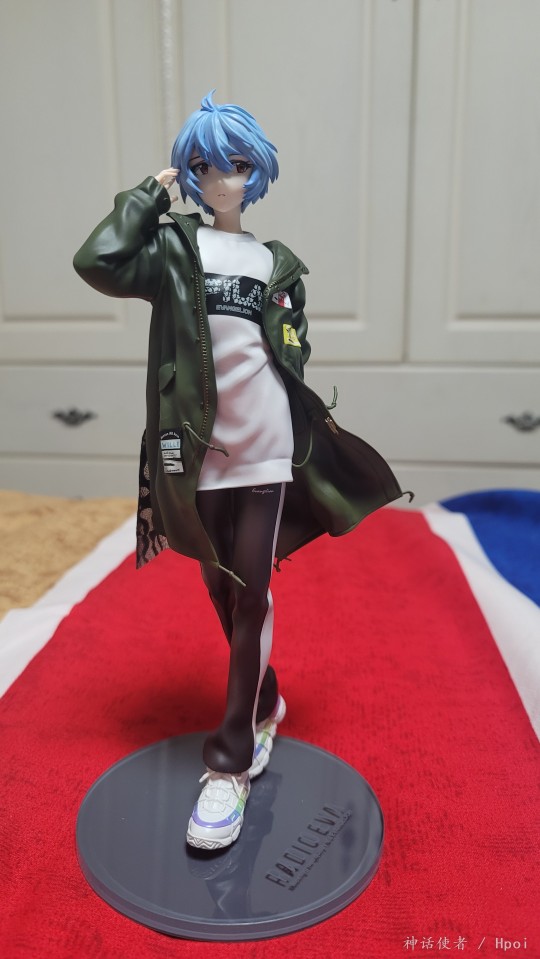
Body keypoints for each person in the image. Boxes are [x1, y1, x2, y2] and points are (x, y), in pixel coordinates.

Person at [73, 91, 408, 851]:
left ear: (256, 171)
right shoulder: (173, 249)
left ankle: (230, 760)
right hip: (197, 457)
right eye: (202, 165)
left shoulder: (274, 263)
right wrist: (148, 194)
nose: (219, 178)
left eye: (234, 164)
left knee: (252, 596)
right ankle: (265, 701)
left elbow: (290, 347)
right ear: (189, 173)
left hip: (266, 452)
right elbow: (98, 260)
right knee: (222, 589)